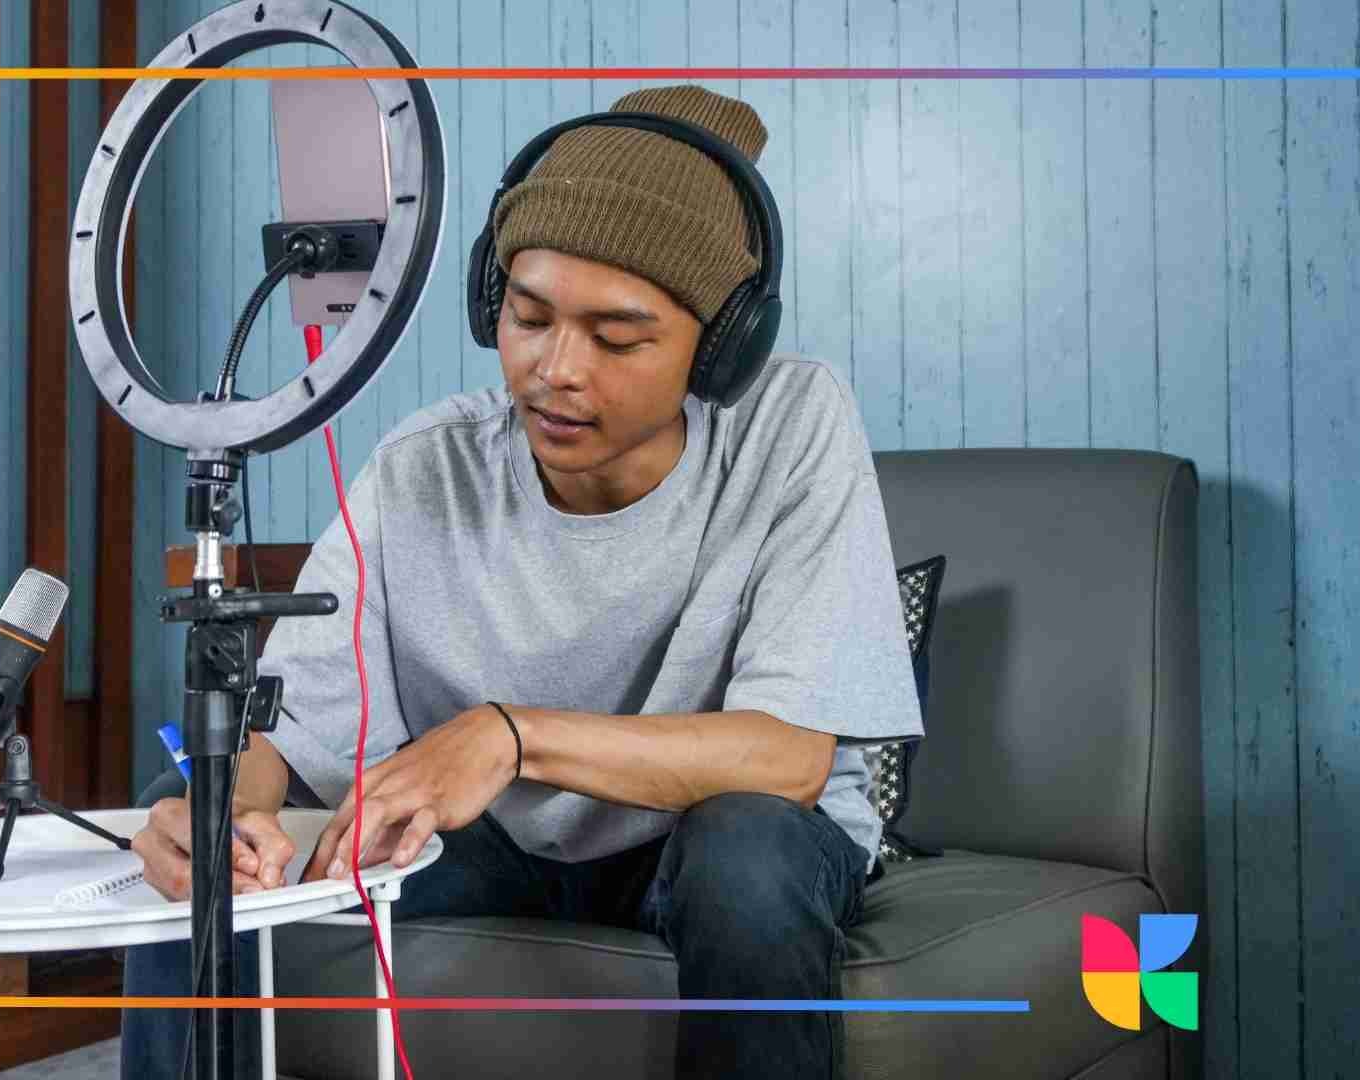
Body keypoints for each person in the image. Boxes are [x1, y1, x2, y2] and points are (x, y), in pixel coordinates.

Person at [122, 84, 923, 1080]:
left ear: (721, 347)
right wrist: (220, 809)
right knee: (190, 812)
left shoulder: (791, 425)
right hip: (496, 848)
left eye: (617, 338)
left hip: (719, 839)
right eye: (530, 317)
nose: (556, 370)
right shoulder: (424, 467)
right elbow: (286, 735)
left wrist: (509, 735)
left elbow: (790, 759)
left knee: (749, 854)